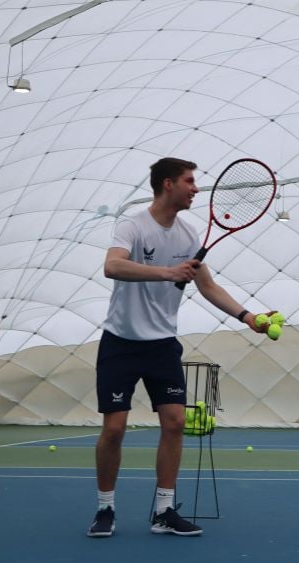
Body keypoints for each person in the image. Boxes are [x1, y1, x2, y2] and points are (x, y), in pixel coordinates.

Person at [87, 157, 270, 537]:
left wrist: (247, 316)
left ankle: (164, 511)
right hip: (120, 342)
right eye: (189, 181)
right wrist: (168, 272)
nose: (196, 189)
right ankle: (105, 508)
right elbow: (113, 267)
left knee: (175, 423)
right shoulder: (133, 226)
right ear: (168, 184)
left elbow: (208, 287)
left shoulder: (188, 236)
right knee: (115, 428)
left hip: (162, 346)